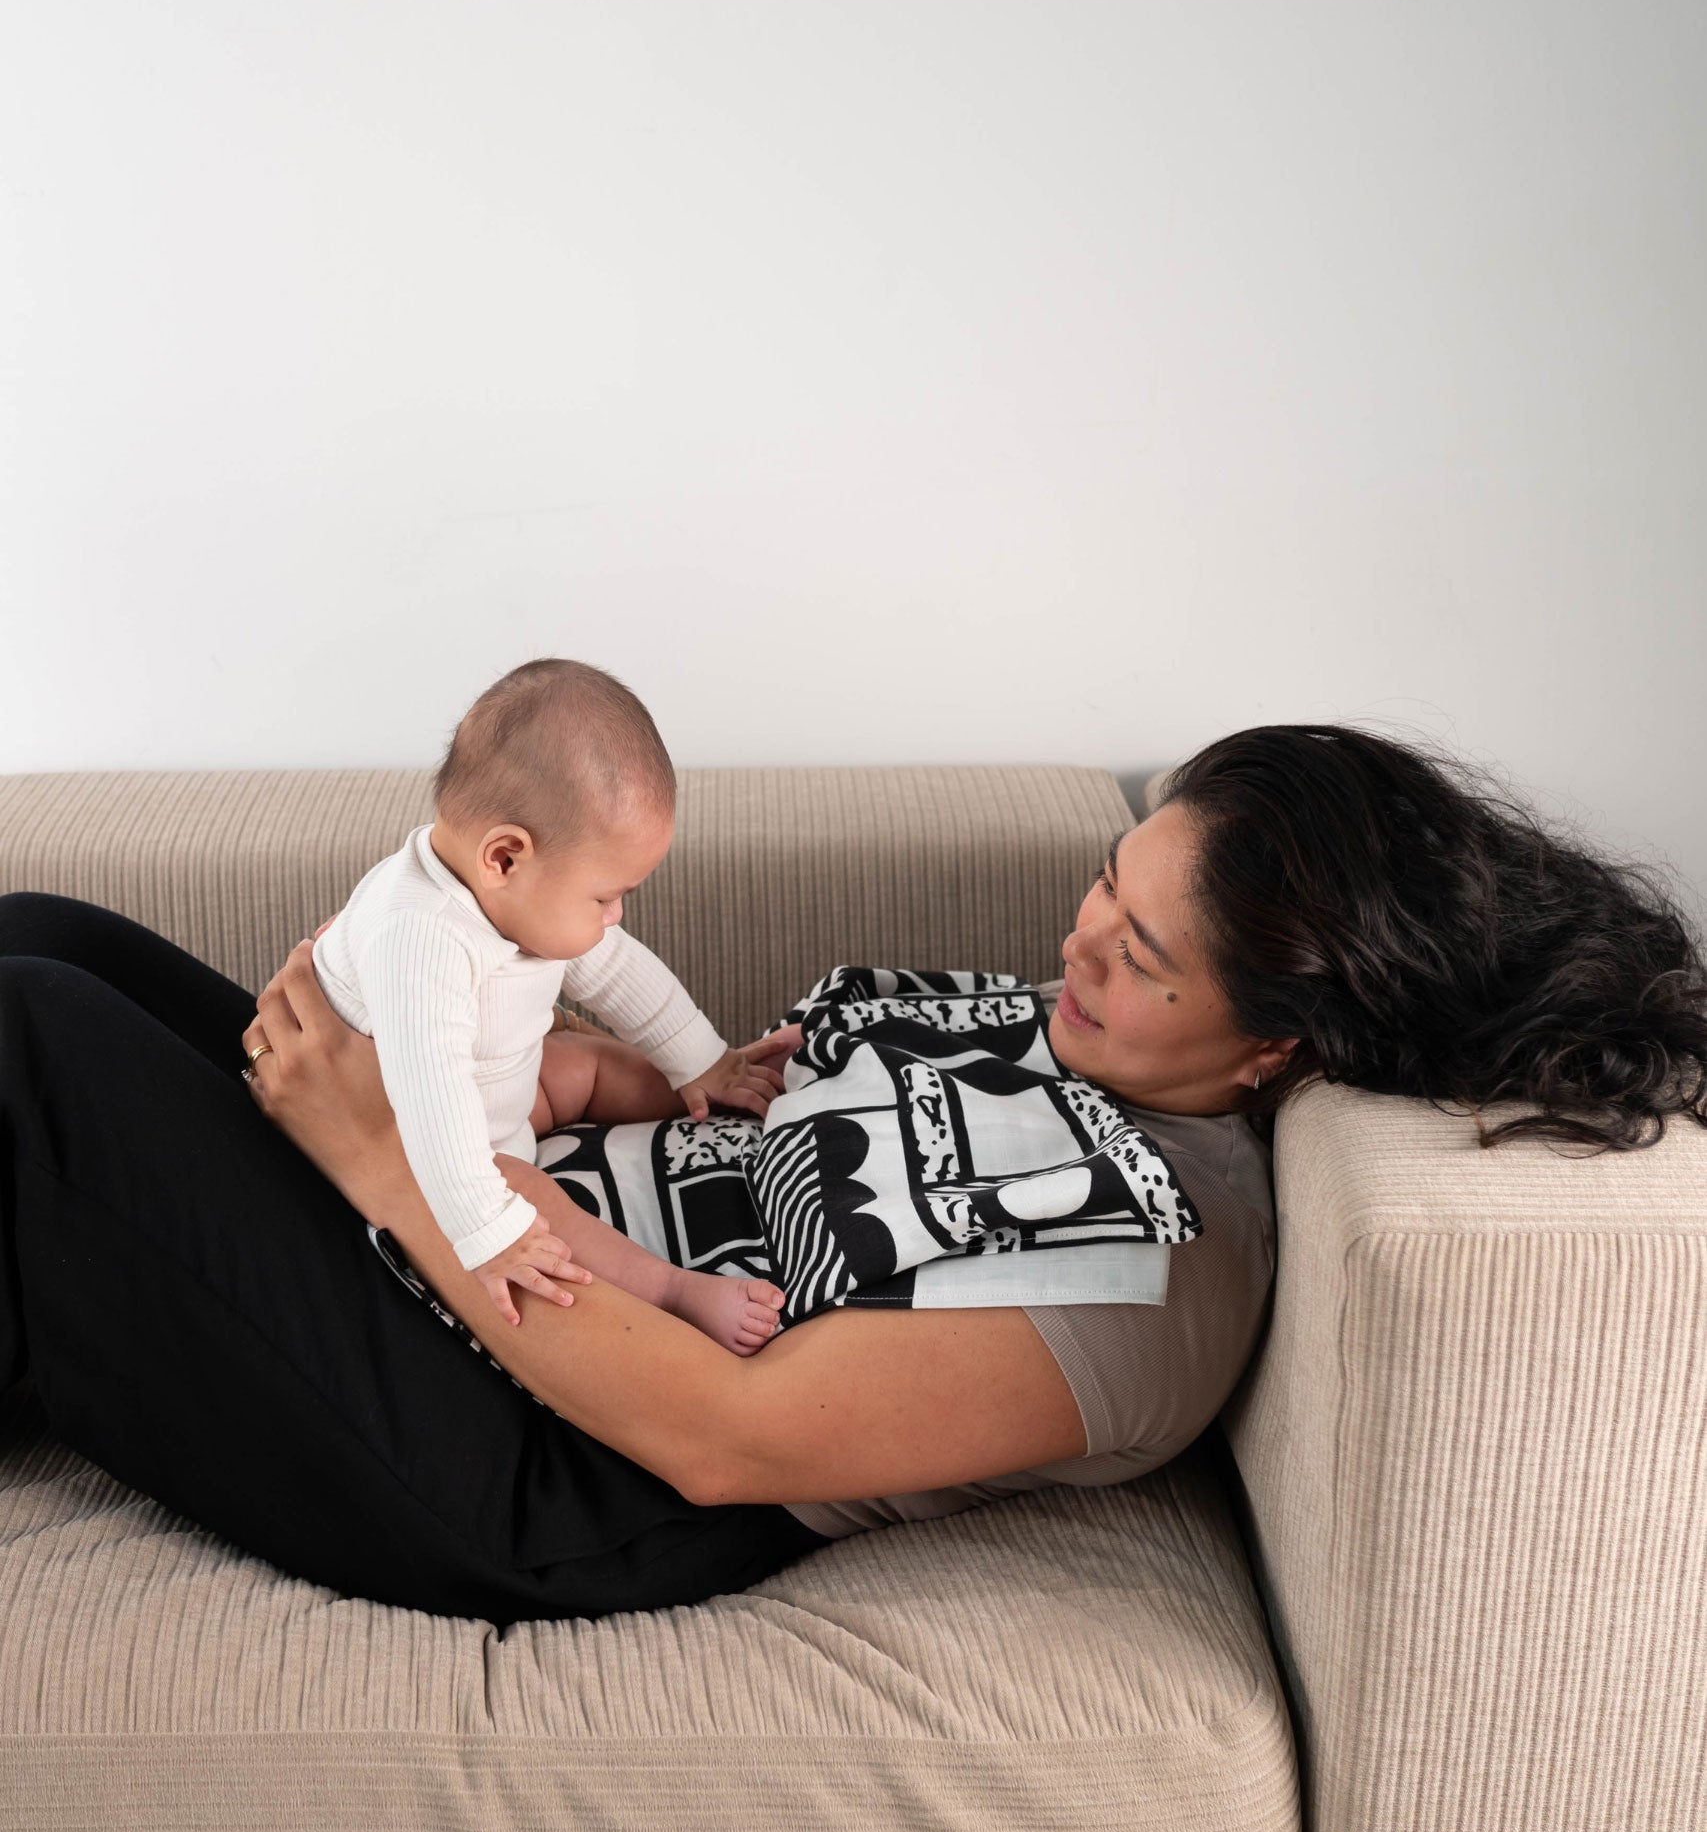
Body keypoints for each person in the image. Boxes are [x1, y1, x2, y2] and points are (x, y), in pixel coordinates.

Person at [1, 725, 1701, 1630]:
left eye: (1141, 956)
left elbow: (714, 1432)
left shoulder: (1153, 1279)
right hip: (509, 1225)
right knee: (48, 940)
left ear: (1271, 1048)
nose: (1075, 949)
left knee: (33, 1047)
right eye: (1108, 888)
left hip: (535, 1448)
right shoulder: (1079, 1038)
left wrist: (375, 1152)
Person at [309, 657, 794, 1349]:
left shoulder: (514, 894)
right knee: (525, 1193)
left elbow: (619, 974)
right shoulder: (417, 936)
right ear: (504, 857)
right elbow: (431, 1099)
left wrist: (703, 1060)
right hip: (430, 1157)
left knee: (580, 1063)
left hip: (504, 1100)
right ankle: (670, 1288)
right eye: (604, 896)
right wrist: (485, 1231)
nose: (616, 915)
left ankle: (716, 1097)